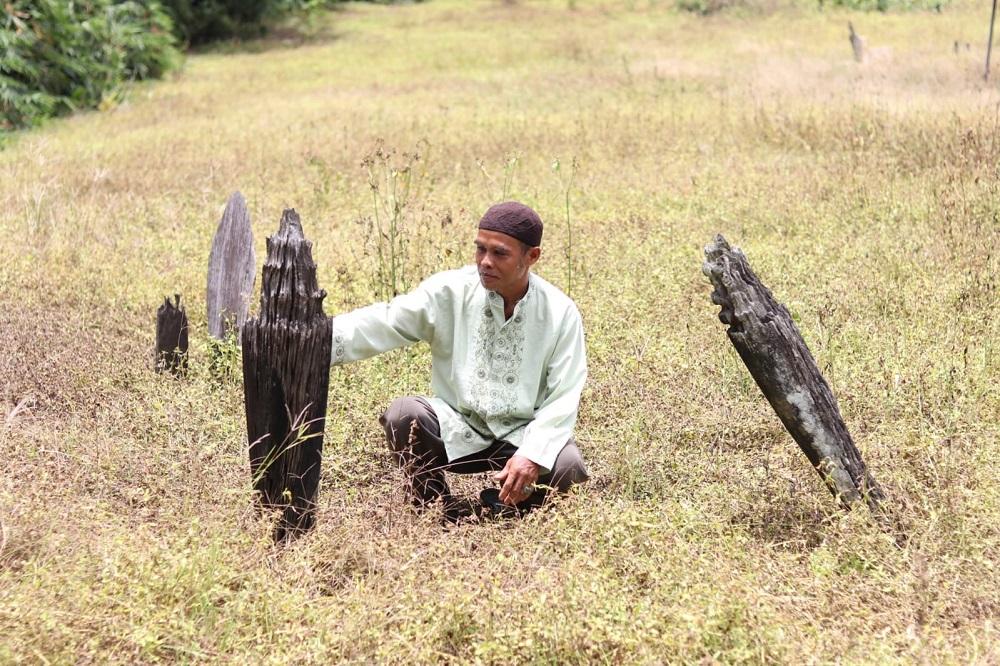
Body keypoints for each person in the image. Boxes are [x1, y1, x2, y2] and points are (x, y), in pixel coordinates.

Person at [329, 201, 588, 520]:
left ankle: (510, 509)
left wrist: (533, 455)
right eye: (480, 249)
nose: (485, 262)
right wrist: (319, 338)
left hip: (523, 433)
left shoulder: (560, 313)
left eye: (500, 253)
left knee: (568, 467)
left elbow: (564, 395)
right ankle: (435, 507)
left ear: (531, 256)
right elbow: (388, 321)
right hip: (458, 424)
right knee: (404, 415)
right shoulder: (450, 291)